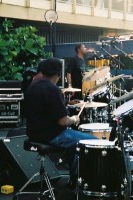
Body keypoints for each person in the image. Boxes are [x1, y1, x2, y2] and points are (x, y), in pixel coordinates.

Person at [25, 58, 97, 188]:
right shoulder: (53, 90)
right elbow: (63, 121)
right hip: (51, 135)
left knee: (72, 144)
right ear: (59, 74)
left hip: (33, 133)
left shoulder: (32, 86)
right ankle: (88, 182)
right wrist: (74, 119)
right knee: (92, 142)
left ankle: (74, 179)